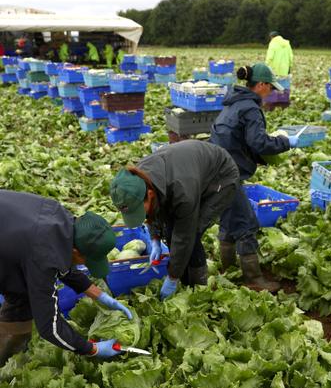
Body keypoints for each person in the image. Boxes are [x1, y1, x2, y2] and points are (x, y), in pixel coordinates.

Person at [0, 191, 132, 366]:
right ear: (76, 251)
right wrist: (92, 349)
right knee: (25, 294)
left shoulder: (63, 221)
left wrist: (98, 294)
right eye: (87, 260)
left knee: (23, 293)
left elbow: (61, 259)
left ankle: (9, 348)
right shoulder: (44, 254)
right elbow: (49, 328)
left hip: (11, 237)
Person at [109, 140, 240, 301]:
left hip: (220, 178)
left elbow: (185, 236)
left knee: (193, 231)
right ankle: (183, 278)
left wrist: (172, 278)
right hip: (188, 172)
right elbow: (152, 211)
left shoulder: (182, 192)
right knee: (171, 231)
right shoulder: (138, 179)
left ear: (149, 195)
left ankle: (199, 287)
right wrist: (155, 237)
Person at [210, 63, 299, 292]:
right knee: (247, 223)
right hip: (229, 172)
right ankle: (254, 279)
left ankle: (228, 269)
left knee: (229, 220)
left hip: (216, 170)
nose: (270, 92)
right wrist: (286, 142)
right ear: (260, 85)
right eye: (269, 87)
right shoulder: (250, 108)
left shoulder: (232, 103)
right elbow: (258, 142)